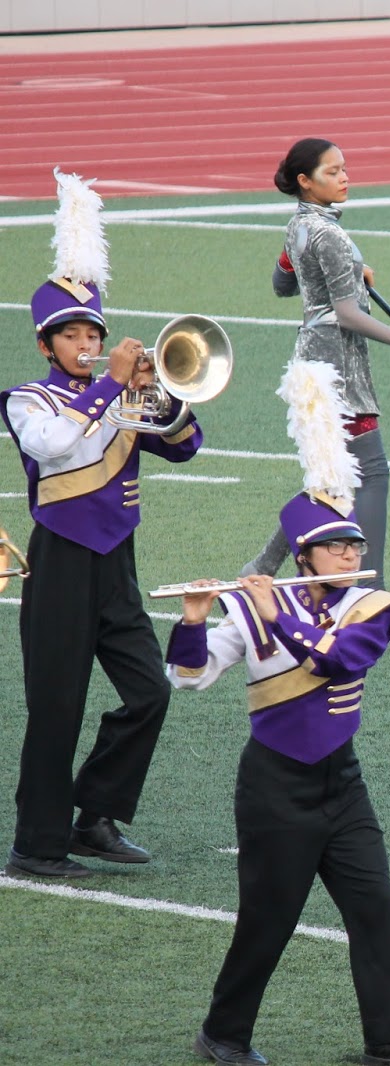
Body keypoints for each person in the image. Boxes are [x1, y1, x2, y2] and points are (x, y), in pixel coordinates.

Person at [169, 361, 390, 1066]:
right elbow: (190, 677)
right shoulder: (255, 604)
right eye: (336, 545)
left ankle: (389, 1038)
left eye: (353, 544)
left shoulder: (372, 606)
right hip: (274, 786)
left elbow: (338, 661)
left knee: (373, 907)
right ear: (304, 553)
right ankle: (223, 1035)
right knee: (267, 919)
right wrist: (196, 619)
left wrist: (274, 616)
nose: (351, 553)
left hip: (341, 783)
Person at [2, 169, 202, 880]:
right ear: (46, 344)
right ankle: (37, 844)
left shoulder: (121, 396)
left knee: (148, 692)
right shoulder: (28, 399)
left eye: (95, 332)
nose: (87, 342)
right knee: (58, 708)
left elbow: (188, 448)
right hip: (59, 561)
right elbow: (53, 448)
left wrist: (161, 394)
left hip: (117, 561)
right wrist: (115, 386)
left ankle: (93, 816)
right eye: (72, 334)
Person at [241, 137, 390, 594]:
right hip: (336, 367)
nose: (344, 178)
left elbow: (284, 283)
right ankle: (367, 589)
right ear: (304, 181)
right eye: (332, 172)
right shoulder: (330, 233)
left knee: (329, 480)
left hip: (313, 362)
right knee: (369, 473)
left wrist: (352, 269)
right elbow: (349, 314)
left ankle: (260, 567)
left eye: (344, 169)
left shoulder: (299, 225)